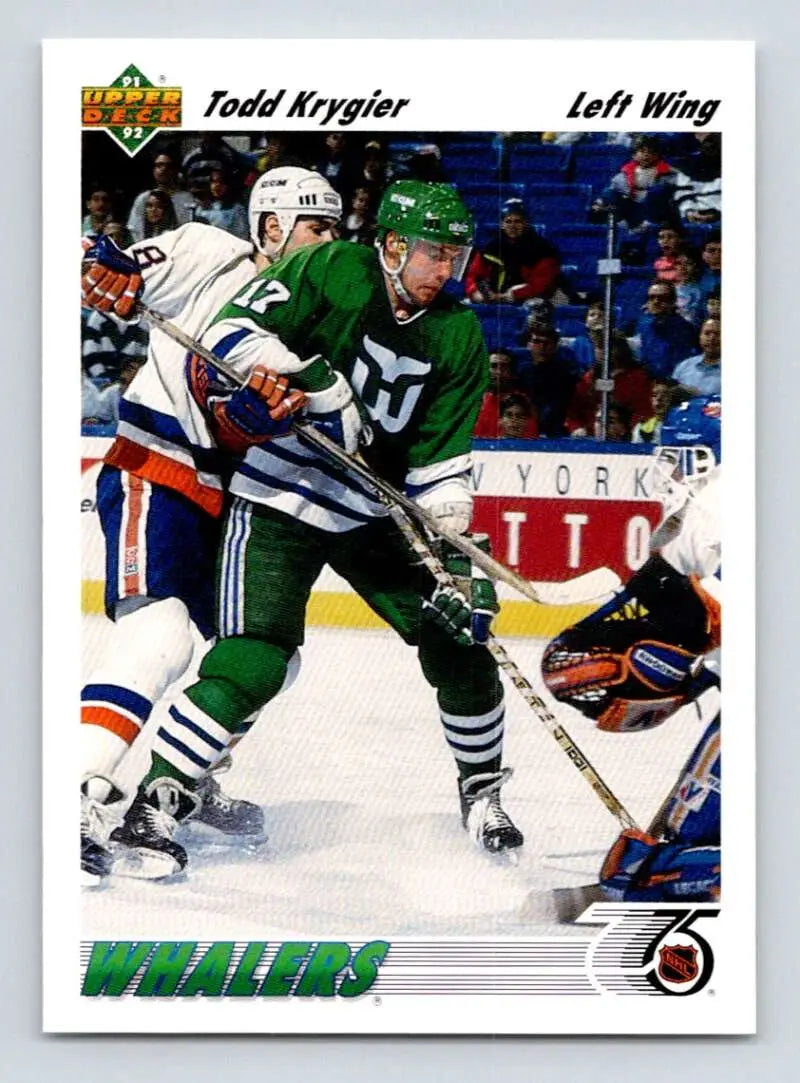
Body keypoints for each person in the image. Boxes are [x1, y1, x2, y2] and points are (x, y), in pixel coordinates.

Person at [109, 180, 524, 878]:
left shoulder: (459, 332)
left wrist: (461, 564)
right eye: (432, 254)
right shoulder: (332, 268)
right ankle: (155, 803)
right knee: (255, 657)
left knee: (461, 641)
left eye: (455, 256)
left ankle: (481, 793)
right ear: (392, 246)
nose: (445, 271)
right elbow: (225, 334)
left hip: (377, 510)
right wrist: (313, 378)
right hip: (279, 493)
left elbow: (442, 470)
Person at [78, 167, 343, 884]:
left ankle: (183, 780)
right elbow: (112, 273)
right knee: (159, 632)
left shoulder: (325, 322)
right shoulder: (207, 251)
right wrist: (106, 271)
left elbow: (284, 428)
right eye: (316, 228)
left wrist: (257, 423)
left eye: (335, 230)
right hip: (157, 469)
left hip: (232, 498)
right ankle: (75, 788)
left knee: (264, 657)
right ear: (269, 229)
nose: (329, 243)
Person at [542, 396, 721, 902]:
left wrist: (672, 673)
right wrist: (691, 676)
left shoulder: (717, 510)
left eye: (670, 457)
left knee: (643, 877)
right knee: (684, 841)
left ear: (699, 459)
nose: (662, 470)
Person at [464, 198, 561, 305]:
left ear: (526, 223)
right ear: (502, 224)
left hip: (529, 297)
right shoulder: (490, 248)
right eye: (508, 221)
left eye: (517, 221)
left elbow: (540, 284)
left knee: (536, 306)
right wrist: (476, 293)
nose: (512, 226)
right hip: (493, 297)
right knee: (464, 305)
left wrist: (510, 295)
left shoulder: (543, 249)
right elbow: (474, 275)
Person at [591, 134, 677, 231]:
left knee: (657, 192)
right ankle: (623, 226)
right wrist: (600, 202)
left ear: (658, 155)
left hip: (654, 211)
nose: (646, 155)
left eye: (651, 152)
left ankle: (648, 225)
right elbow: (612, 190)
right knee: (611, 194)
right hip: (632, 208)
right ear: (634, 154)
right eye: (642, 151)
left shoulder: (668, 173)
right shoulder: (625, 173)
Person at [126, 149, 196, 242]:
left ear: (175, 170)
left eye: (168, 166)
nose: (164, 169)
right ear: (154, 170)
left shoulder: (187, 199)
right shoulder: (144, 198)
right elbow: (135, 228)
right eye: (159, 165)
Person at [635, 279, 698, 379]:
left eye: (662, 298)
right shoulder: (645, 326)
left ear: (673, 301)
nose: (656, 302)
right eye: (652, 298)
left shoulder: (684, 329)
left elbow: (682, 366)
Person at [474, 350, 529, 438]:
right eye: (493, 366)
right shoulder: (470, 401)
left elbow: (530, 439)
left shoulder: (524, 403)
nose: (498, 372)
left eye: (503, 367)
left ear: (512, 372)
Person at [192, 168, 249, 240]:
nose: (217, 185)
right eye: (213, 182)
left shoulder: (237, 209)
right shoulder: (201, 209)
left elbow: (242, 235)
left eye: (221, 182)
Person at [672, 317, 722, 396]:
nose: (712, 338)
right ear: (700, 337)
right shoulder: (683, 366)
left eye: (717, 334)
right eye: (707, 333)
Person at [631, 376, 680, 444]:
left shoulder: (684, 426)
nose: (659, 399)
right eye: (654, 395)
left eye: (665, 394)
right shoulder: (642, 428)